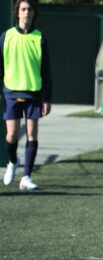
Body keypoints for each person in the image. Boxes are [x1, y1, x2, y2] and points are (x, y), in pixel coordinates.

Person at [1, 0, 52, 191]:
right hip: (11, 92)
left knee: (32, 134)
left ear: (33, 13)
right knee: (12, 135)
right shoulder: (6, 36)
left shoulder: (40, 38)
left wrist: (47, 97)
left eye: (30, 9)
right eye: (23, 9)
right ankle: (13, 162)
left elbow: (46, 71)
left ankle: (26, 177)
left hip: (34, 93)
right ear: (17, 13)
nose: (26, 13)